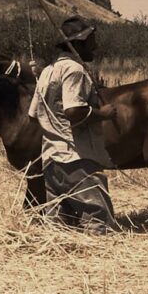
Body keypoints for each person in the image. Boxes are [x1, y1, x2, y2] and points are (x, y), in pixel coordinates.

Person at [27, 16, 117, 233]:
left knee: (60, 229)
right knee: (98, 222)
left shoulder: (47, 71)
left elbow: (33, 115)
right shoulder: (74, 70)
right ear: (79, 43)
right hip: (76, 159)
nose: (95, 46)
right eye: (91, 40)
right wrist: (103, 114)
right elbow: (73, 111)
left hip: (52, 161)